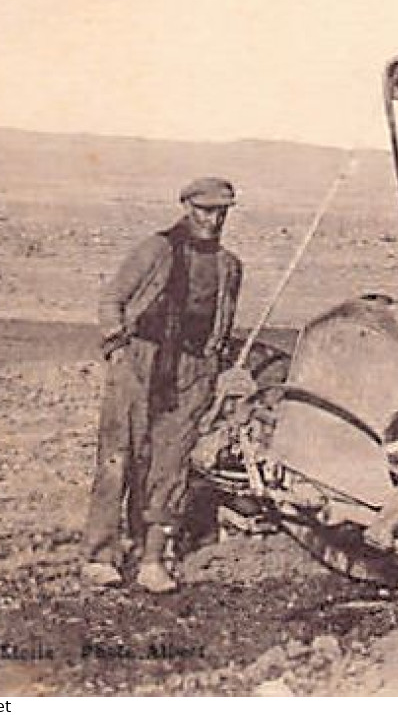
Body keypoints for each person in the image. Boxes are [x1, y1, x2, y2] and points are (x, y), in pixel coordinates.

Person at [82, 177, 243, 593]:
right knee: (120, 455)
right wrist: (117, 349)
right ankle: (101, 554)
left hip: (192, 373)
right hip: (140, 359)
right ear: (187, 207)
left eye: (221, 211)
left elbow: (221, 325)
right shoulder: (156, 249)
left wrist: (213, 368)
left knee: (171, 464)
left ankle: (152, 558)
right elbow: (112, 298)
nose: (213, 219)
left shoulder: (229, 266)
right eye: (205, 210)